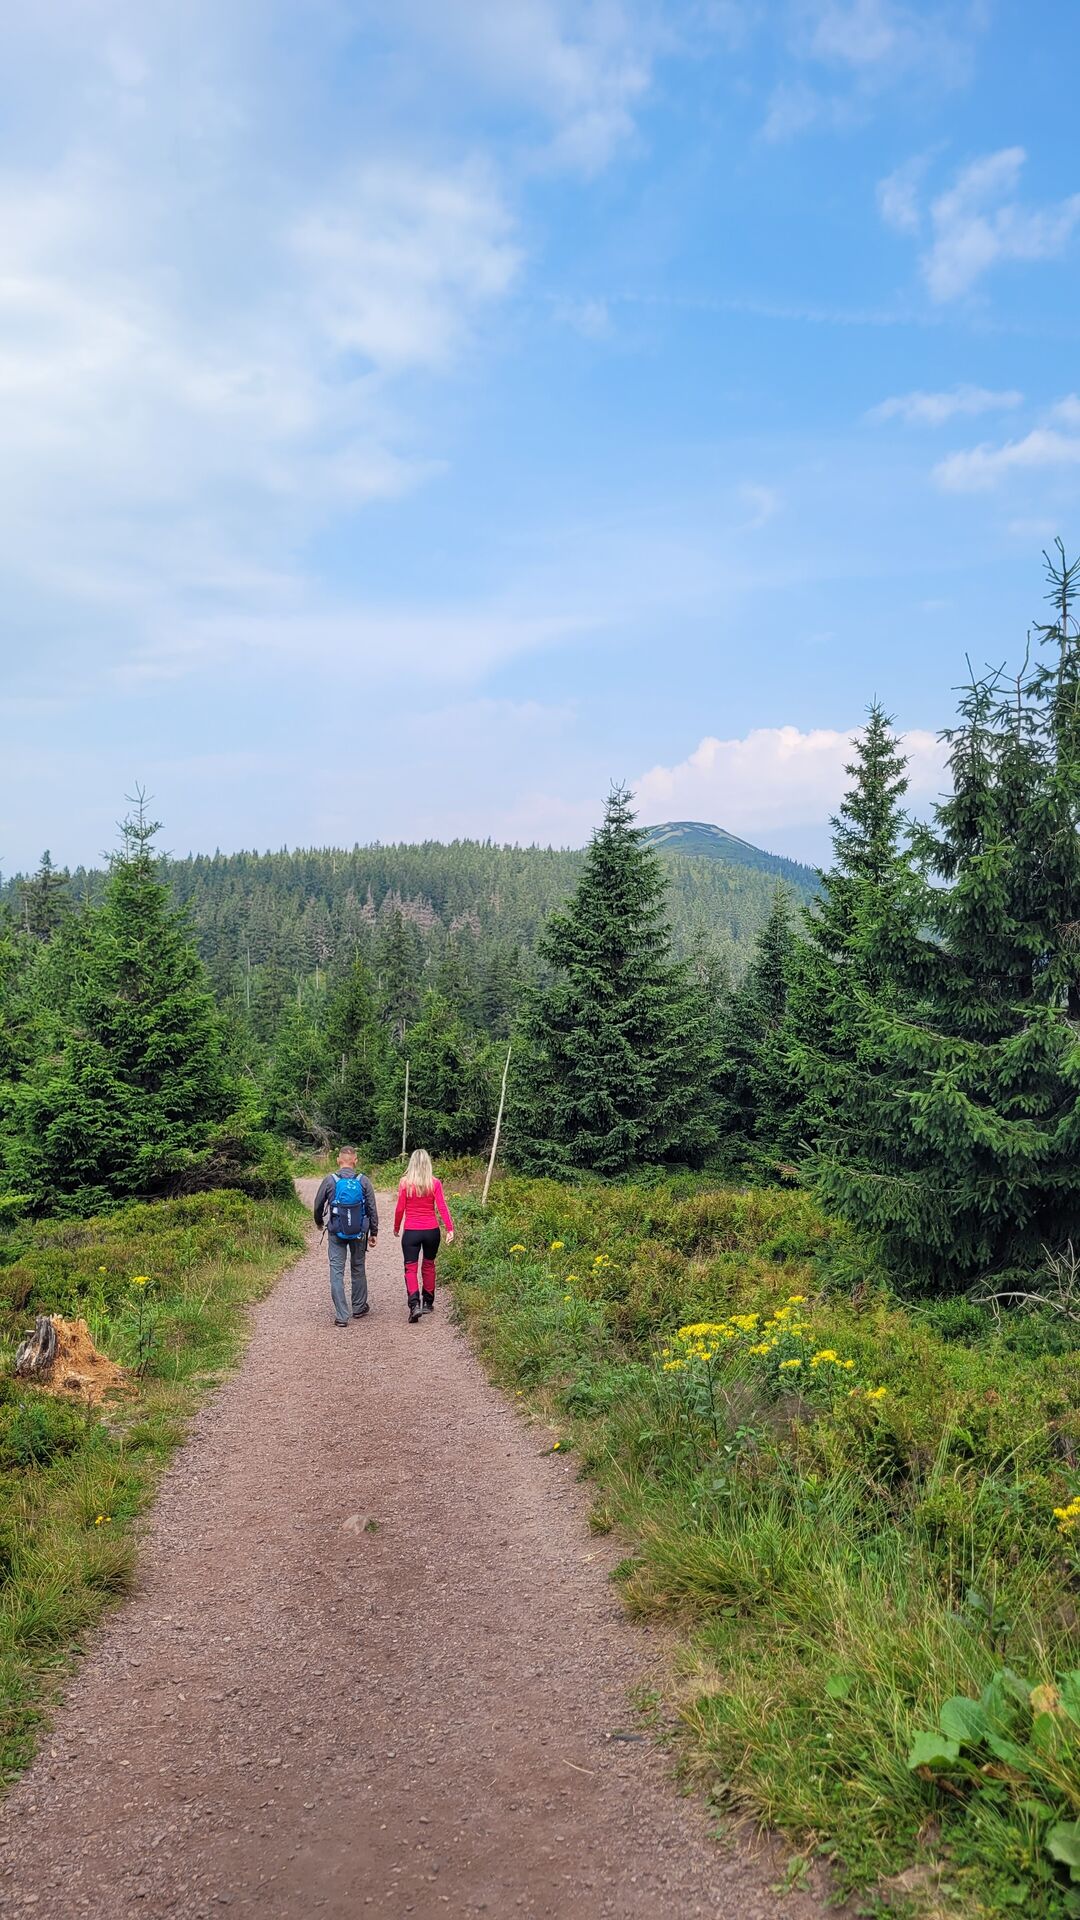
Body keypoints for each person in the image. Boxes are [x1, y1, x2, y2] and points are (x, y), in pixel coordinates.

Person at [313, 1148, 379, 1328]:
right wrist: (373, 1232)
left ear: (338, 1160)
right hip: (359, 1232)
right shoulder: (363, 1181)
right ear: (355, 1161)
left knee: (336, 1271)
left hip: (336, 1231)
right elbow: (372, 1209)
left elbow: (318, 1205)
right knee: (358, 1267)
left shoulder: (330, 1180)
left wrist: (319, 1222)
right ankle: (358, 1307)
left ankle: (342, 1316)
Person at [393, 1148, 454, 1324]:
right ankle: (428, 1302)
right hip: (431, 1231)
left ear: (411, 1164)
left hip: (412, 1231)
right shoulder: (434, 1183)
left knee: (410, 1268)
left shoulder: (405, 1183)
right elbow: (442, 1207)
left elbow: (400, 1208)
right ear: (428, 1164)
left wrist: (396, 1227)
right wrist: (450, 1228)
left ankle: (414, 1304)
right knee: (429, 1265)